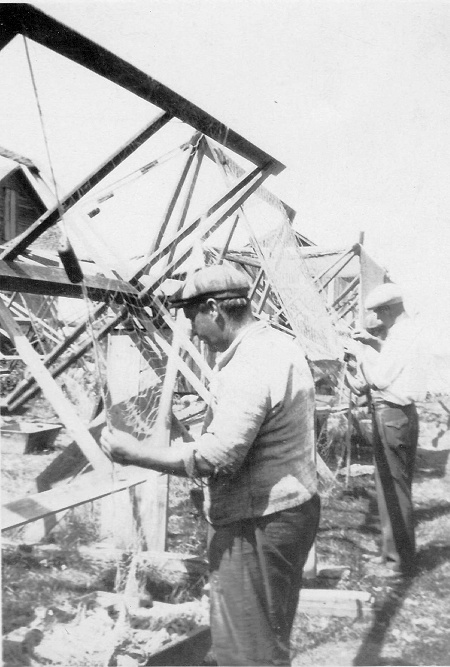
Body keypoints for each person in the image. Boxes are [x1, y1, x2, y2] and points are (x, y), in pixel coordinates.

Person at [101, 263, 321, 666]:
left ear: (215, 309)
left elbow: (218, 456)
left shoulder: (251, 363)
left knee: (249, 650)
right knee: (262, 637)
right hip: (286, 511)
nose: (194, 331)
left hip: (258, 524)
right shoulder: (279, 345)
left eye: (192, 317)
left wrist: (136, 454)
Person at [349, 282, 420, 577]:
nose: (376, 319)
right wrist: (371, 343)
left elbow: (378, 380)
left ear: (389, 310)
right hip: (395, 414)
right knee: (386, 485)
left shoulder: (401, 337)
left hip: (392, 414)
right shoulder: (405, 333)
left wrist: (357, 356)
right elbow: (392, 356)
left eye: (378, 313)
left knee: (395, 489)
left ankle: (399, 563)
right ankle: (391, 553)